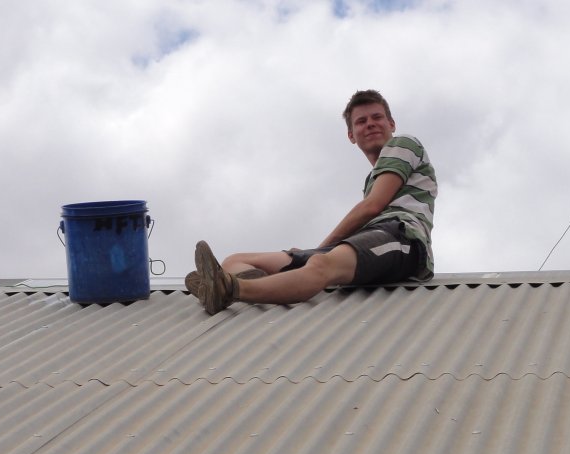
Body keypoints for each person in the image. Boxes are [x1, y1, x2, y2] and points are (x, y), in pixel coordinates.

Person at [187, 89, 437, 315]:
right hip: (372, 239)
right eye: (361, 121)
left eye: (377, 117)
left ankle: (231, 289)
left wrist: (319, 250)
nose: (370, 124)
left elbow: (372, 206)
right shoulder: (372, 178)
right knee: (235, 260)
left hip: (403, 238)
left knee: (319, 263)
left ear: (391, 124)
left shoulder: (404, 144)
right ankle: (264, 286)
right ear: (351, 135)